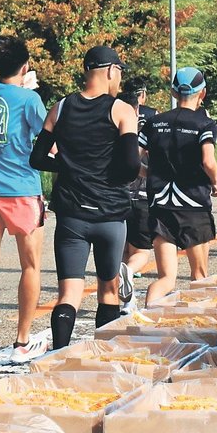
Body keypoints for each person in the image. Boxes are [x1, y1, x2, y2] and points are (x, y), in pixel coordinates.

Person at [29, 45, 140, 349]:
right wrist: (110, 177)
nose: (119, 79)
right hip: (110, 214)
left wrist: (65, 166)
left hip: (71, 214)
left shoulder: (61, 107)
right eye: (119, 72)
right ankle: (101, 359)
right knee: (108, 288)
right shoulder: (121, 110)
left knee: (69, 293)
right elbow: (131, 165)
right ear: (109, 71)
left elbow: (37, 158)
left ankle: (60, 356)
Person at [0, 36, 49, 362]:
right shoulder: (29, 101)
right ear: (25, 66)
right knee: (30, 266)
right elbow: (49, 135)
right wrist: (30, 93)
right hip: (22, 193)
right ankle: (22, 342)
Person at [141, 68, 217, 306]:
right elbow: (208, 160)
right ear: (203, 93)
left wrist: (149, 173)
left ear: (173, 92)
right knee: (199, 277)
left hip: (160, 207)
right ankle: (197, 331)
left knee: (166, 278)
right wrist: (215, 182)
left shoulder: (154, 123)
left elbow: (134, 158)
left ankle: (146, 322)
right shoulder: (205, 124)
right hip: (193, 208)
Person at [117, 77, 158, 313]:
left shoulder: (112, 116)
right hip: (143, 191)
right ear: (141, 96)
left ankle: (126, 302)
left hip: (117, 192)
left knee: (122, 251)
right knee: (141, 251)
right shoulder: (154, 118)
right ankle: (130, 273)